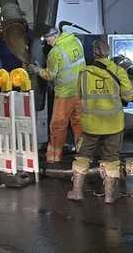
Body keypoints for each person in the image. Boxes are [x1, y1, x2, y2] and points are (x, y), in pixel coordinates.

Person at [68, 38, 133, 204]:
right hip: (114, 124)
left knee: (83, 156)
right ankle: (110, 195)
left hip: (91, 124)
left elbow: (79, 96)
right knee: (111, 158)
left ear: (94, 53)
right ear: (108, 52)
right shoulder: (119, 72)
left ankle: (76, 192)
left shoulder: (84, 73)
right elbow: (129, 96)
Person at [27, 26, 86, 163]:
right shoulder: (76, 41)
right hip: (81, 91)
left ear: (54, 36)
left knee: (57, 126)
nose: (47, 42)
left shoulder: (55, 52)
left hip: (65, 95)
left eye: (47, 39)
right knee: (79, 124)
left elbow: (50, 75)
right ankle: (83, 155)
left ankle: (54, 158)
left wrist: (36, 69)